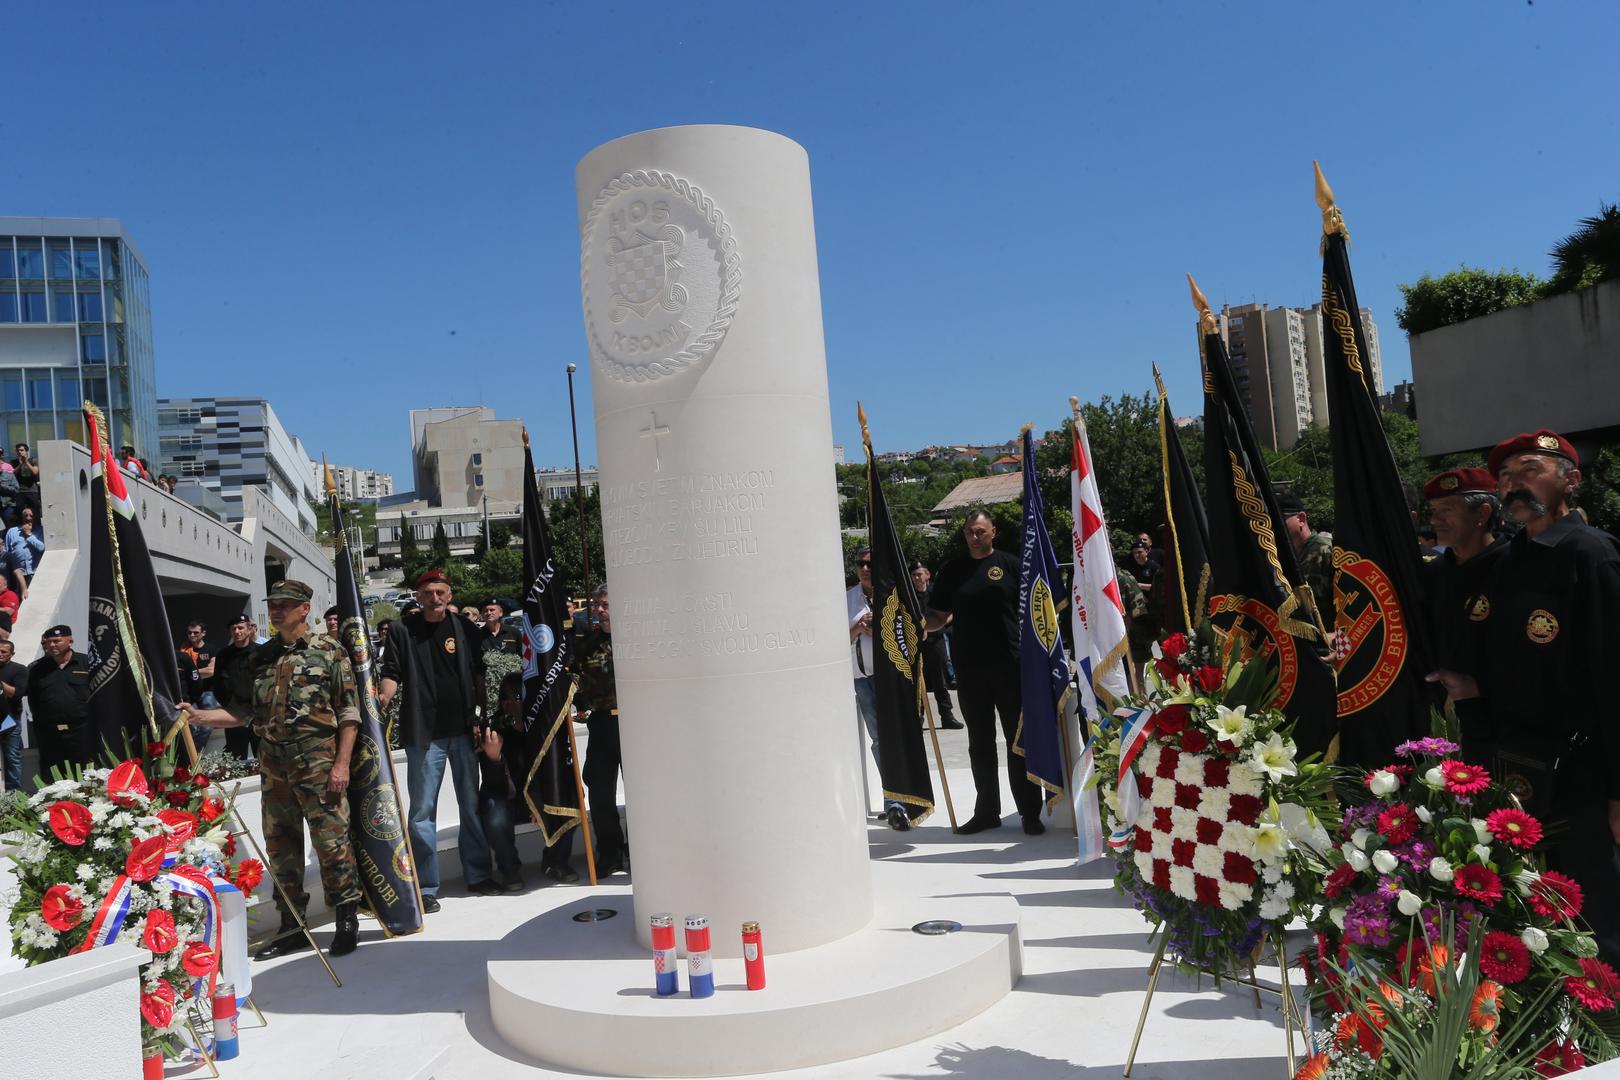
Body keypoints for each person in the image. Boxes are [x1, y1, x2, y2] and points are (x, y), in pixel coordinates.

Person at [1428, 430, 1620, 967]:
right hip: (1518, 763)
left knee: (1598, 908)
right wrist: (1472, 690)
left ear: (1571, 480)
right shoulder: (1510, 560)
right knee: (1539, 903)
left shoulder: (1591, 555)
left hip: (1582, 769)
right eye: (1506, 476)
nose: (1514, 485)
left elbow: (1614, 676)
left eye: (1530, 470)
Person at [189, 580, 364, 959]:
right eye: (273, 604)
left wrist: (342, 764)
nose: (276, 610)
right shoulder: (260, 658)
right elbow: (242, 712)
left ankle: (346, 918)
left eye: (285, 604)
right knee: (281, 848)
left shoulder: (329, 651)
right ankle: (292, 927)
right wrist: (199, 716)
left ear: (304, 609)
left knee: (332, 843)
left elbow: (349, 712)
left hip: (319, 763)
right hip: (274, 767)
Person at [377, 568, 495, 908]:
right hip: (424, 734)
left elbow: (479, 675)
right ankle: (426, 887)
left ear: (450, 595)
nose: (434, 598)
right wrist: (382, 697)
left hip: (464, 731)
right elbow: (391, 672)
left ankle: (478, 874)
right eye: (428, 593)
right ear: (418, 596)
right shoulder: (401, 631)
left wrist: (480, 718)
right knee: (422, 812)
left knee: (470, 806)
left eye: (440, 592)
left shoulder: (465, 628)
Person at [925, 510, 1044, 835]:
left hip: (1010, 667)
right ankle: (987, 812)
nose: (974, 537)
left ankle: (1030, 812)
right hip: (969, 669)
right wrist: (918, 625)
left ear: (993, 531)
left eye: (980, 531)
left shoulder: (1012, 565)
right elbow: (939, 615)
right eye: (969, 532)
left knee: (1017, 742)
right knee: (979, 743)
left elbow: (1035, 612)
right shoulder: (953, 570)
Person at [1419, 467, 1507, 762]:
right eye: (1433, 510)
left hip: (1501, 722)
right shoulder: (1433, 573)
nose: (1435, 520)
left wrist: (1480, 685)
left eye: (1447, 510)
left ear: (1482, 513)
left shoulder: (1514, 568)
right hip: (1442, 723)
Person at [848, 549, 910, 829]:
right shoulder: (847, 599)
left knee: (900, 736)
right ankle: (893, 803)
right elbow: (836, 638)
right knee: (880, 741)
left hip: (892, 678)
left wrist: (882, 628)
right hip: (862, 679)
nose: (864, 568)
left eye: (870, 564)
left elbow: (910, 631)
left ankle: (909, 795)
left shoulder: (893, 595)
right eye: (860, 564)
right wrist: (858, 628)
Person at [573, 586, 628, 872]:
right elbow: (576, 678)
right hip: (603, 723)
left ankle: (642, 849)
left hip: (634, 725)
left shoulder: (635, 640)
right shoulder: (588, 644)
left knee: (641, 793)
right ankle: (609, 851)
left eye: (605, 605)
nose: (600, 610)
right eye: (597, 605)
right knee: (600, 791)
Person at [475, 656, 529, 892]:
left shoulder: (539, 724)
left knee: (569, 797)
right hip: (506, 798)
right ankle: (510, 870)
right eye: (504, 697)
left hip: (534, 795)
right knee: (495, 814)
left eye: (516, 696)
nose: (509, 703)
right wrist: (494, 757)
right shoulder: (494, 728)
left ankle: (556, 861)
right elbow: (493, 784)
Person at [24, 626, 95, 779]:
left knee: (86, 773)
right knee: (52, 774)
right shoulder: (37, 668)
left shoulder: (86, 662)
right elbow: (33, 698)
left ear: (70, 641)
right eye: (48, 642)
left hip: (81, 730)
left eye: (57, 641)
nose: (52, 645)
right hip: (50, 732)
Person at [910, 562, 963, 729]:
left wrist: (938, 624)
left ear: (927, 575)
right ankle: (918, 718)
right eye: (914, 575)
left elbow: (952, 611)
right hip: (917, 643)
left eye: (919, 574)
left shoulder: (936, 592)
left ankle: (947, 716)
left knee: (940, 680)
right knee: (919, 681)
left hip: (936, 641)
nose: (917, 578)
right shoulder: (908, 595)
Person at [1277, 492, 1335, 630]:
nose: (1275, 526)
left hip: (1329, 638)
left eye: (1280, 519)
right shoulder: (1279, 558)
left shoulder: (1326, 552)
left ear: (1301, 519)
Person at [213, 613, 259, 761]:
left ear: (250, 629)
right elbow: (217, 684)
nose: (237, 631)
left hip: (258, 715)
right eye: (233, 629)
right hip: (234, 714)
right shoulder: (223, 655)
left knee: (263, 757)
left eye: (240, 628)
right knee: (235, 759)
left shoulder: (261, 652)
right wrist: (228, 706)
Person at [177, 621, 217, 750]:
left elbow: (211, 671)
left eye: (196, 632)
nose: (192, 635)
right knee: (191, 725)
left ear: (203, 633)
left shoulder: (210, 649)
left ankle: (196, 753)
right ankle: (191, 754)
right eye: (189, 632)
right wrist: (198, 673)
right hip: (190, 694)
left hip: (207, 692)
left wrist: (191, 672)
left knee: (207, 726)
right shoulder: (183, 649)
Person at [0, 639, 25, 792]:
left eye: (3, 651)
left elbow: (17, 694)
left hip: (10, 720)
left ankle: (14, 794)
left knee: (12, 757)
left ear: (12, 654)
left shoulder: (19, 669)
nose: (0, 654)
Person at [4, 506, 44, 600]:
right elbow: (6, 553)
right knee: (19, 600)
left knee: (36, 598)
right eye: (26, 515)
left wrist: (29, 534)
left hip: (34, 573)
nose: (28, 518)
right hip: (17, 575)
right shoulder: (12, 532)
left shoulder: (40, 530)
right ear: (22, 517)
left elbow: (41, 548)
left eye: (31, 516)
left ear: (35, 517)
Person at [11, 443, 40, 524]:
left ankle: (36, 527)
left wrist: (26, 462)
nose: (20, 452)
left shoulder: (33, 461)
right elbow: (13, 473)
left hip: (32, 491)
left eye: (22, 450)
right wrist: (20, 464)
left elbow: (35, 472)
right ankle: (21, 527)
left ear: (26, 451)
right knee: (20, 512)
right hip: (20, 491)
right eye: (18, 450)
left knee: (35, 511)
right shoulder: (14, 462)